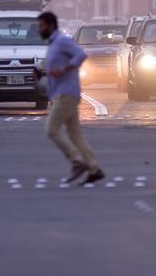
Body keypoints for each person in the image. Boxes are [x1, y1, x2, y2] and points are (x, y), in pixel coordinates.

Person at [37, 11, 105, 185]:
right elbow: (56, 68)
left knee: (51, 130)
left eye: (42, 26)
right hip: (62, 92)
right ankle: (94, 168)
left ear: (51, 26)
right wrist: (44, 73)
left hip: (66, 94)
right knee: (75, 135)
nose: (40, 29)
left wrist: (66, 68)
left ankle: (77, 161)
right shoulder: (53, 44)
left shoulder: (61, 41)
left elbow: (80, 55)